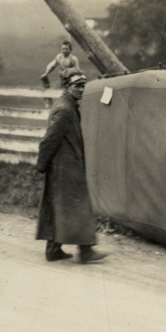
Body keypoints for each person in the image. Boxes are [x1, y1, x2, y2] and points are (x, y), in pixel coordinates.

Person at [34, 68, 106, 263]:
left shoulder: (68, 105)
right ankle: (86, 251)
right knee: (79, 206)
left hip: (65, 165)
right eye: (77, 86)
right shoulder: (65, 109)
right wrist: (41, 163)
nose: (82, 90)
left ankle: (53, 250)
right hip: (66, 167)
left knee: (58, 205)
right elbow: (49, 139)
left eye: (83, 86)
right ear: (66, 86)